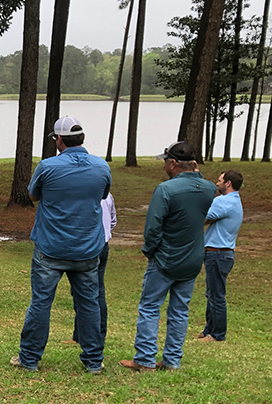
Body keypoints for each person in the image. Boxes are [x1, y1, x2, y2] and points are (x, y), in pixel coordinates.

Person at [11, 116, 112, 374]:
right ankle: (93, 361)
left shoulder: (47, 167)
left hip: (51, 248)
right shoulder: (101, 167)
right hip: (88, 248)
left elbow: (33, 195)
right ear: (82, 138)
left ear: (58, 140)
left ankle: (29, 359)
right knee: (89, 304)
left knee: (41, 303)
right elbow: (101, 195)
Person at [120, 141, 216, 372]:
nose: (164, 165)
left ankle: (144, 358)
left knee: (150, 307)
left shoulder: (166, 190)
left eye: (165, 161)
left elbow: (153, 227)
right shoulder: (209, 188)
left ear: (173, 163)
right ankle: (172, 360)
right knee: (180, 310)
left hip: (165, 258)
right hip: (192, 258)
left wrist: (149, 250)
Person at [66, 192, 117, 344]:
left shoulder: (83, 196)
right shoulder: (108, 195)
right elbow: (112, 221)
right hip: (103, 245)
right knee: (97, 290)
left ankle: (87, 336)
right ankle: (92, 334)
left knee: (83, 291)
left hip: (88, 246)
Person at [199, 169, 244, 342]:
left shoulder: (224, 201)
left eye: (219, 180)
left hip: (217, 253)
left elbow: (202, 217)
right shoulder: (234, 201)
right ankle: (208, 329)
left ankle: (217, 334)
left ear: (228, 183)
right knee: (212, 292)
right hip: (222, 254)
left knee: (216, 295)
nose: (216, 183)